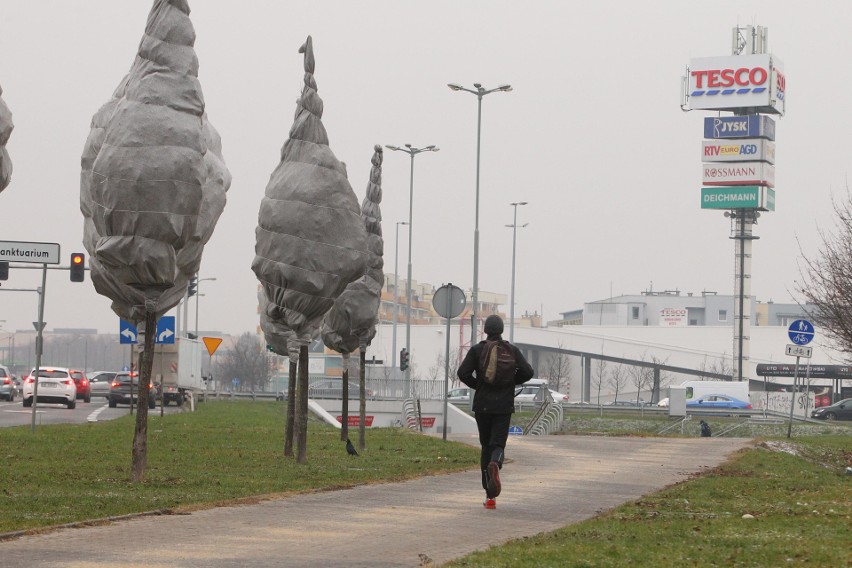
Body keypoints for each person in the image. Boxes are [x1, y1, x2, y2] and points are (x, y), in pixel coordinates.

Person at [457, 314, 535, 510]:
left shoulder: (477, 350)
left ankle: (489, 496)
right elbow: (528, 372)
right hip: (503, 406)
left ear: (486, 330)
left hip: (482, 405)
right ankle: (496, 464)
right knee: (498, 444)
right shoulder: (512, 350)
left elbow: (462, 373)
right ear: (501, 330)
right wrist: (509, 384)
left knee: (485, 446)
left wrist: (479, 385)